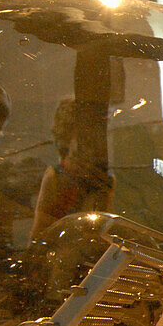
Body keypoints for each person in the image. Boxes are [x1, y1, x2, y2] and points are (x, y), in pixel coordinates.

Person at [30, 98, 114, 237]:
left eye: (95, 131)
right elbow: (39, 232)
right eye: (83, 132)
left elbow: (106, 229)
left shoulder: (105, 180)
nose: (90, 139)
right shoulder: (55, 176)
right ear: (67, 133)